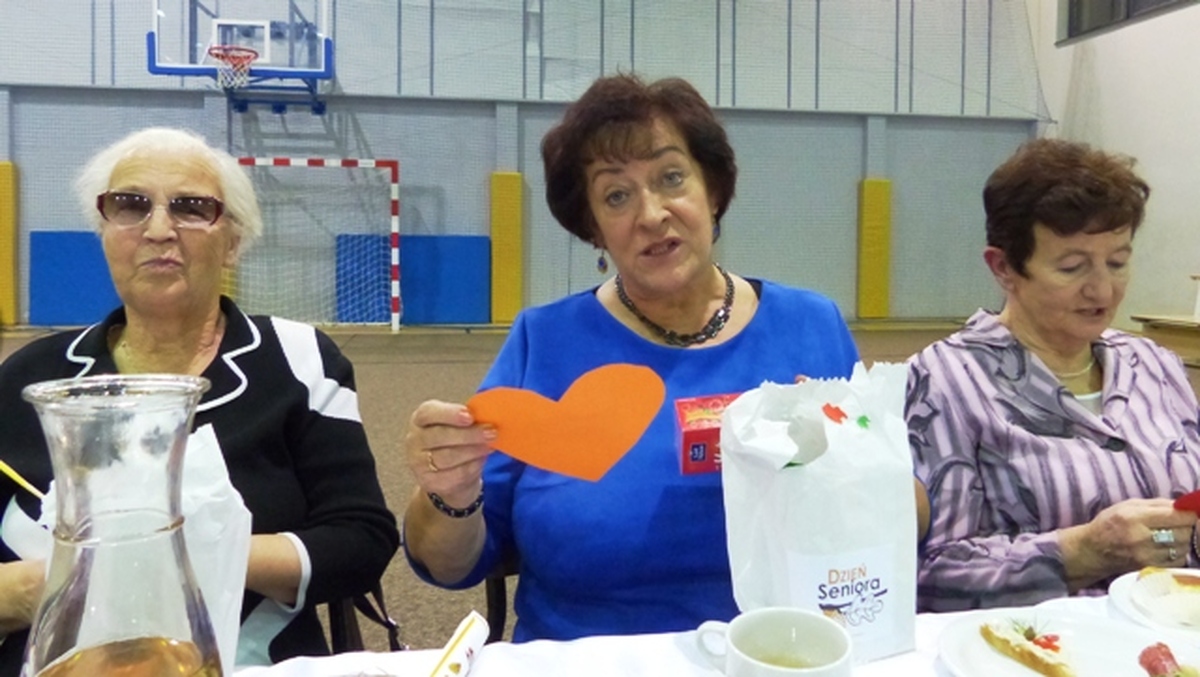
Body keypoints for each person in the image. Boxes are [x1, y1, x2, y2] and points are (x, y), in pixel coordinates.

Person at [402, 73, 864, 641]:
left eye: (671, 178)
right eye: (616, 195)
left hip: (781, 653)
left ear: (712, 191)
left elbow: (898, 514)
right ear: (594, 228)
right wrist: (449, 494)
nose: (651, 214)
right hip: (583, 656)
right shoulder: (543, 340)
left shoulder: (811, 326)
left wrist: (851, 468)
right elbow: (451, 565)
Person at [0, 127, 399, 671]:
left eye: (191, 208)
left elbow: (361, 542)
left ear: (233, 241)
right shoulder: (32, 380)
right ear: (104, 231)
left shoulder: (298, 360)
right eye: (130, 205)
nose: (159, 230)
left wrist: (179, 558)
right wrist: (33, 590)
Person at [907, 138, 1200, 612]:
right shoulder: (946, 380)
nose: (1102, 290)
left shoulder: (1153, 365)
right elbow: (933, 576)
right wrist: (1083, 551)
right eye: (1072, 267)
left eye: (1118, 263)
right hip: (1037, 643)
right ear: (1004, 267)